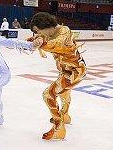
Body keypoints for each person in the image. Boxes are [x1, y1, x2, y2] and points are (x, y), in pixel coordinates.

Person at [28, 12, 86, 140]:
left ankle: (59, 128)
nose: (38, 34)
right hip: (66, 71)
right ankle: (65, 116)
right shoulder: (49, 35)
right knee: (64, 94)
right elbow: (47, 43)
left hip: (75, 71)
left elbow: (58, 44)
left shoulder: (64, 31)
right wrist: (36, 41)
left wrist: (42, 44)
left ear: (45, 24)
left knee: (48, 94)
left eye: (38, 30)